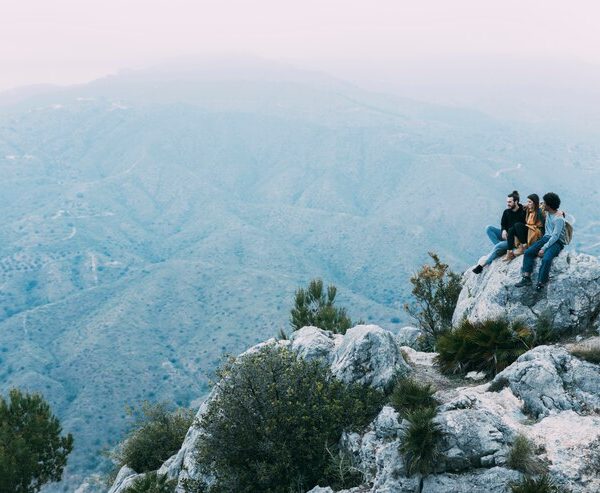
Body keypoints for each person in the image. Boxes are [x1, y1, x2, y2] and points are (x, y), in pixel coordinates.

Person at [515, 192, 567, 291]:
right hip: (546, 238)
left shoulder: (558, 219)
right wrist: (525, 205)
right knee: (528, 252)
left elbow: (555, 236)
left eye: (545, 203)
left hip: (557, 242)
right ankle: (526, 278)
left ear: (549, 205)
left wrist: (543, 248)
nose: (543, 205)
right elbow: (538, 203)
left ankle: (541, 283)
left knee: (546, 259)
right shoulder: (547, 211)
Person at [472, 191, 526, 274]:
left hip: (515, 240)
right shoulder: (506, 212)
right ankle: (501, 250)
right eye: (507, 202)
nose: (508, 204)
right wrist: (503, 230)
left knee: (499, 245)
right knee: (489, 228)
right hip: (506, 236)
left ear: (516, 202)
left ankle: (483, 264)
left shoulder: (523, 211)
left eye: (510, 202)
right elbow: (503, 224)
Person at [502, 193, 544, 262]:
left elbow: (544, 221)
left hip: (535, 233)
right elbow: (524, 205)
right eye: (527, 201)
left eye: (530, 202)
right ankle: (509, 252)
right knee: (511, 229)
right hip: (529, 230)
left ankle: (524, 246)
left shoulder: (539, 211)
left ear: (534, 203)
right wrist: (503, 230)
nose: (528, 203)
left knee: (517, 225)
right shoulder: (528, 209)